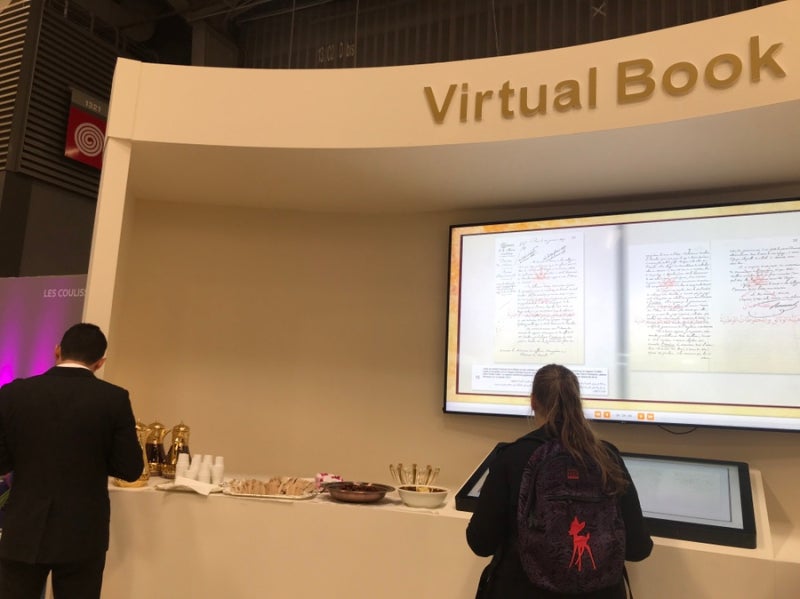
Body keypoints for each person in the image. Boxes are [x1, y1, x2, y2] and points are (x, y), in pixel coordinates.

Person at [466, 364, 653, 599]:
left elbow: (480, 543)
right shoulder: (607, 458)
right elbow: (638, 549)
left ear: (533, 402)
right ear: (577, 402)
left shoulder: (512, 458)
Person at [0, 323, 144, 599]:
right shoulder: (114, 399)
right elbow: (130, 469)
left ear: (57, 351)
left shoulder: (13, 393)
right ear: (100, 362)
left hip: (24, 526)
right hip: (83, 532)